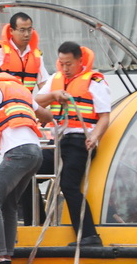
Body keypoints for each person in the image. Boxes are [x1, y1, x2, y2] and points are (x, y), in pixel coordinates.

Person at [0, 62, 54, 264]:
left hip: (18, 153)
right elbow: (47, 115)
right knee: (9, 203)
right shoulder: (22, 91)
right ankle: (7, 254)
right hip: (36, 153)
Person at [34, 41, 111, 247]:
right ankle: (39, 223)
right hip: (58, 142)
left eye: (69, 64)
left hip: (79, 141)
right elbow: (37, 101)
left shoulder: (95, 81)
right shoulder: (56, 79)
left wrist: (94, 137)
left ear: (79, 61)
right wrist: (53, 95)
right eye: (62, 64)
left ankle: (89, 235)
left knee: (68, 184)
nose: (65, 68)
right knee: (28, 170)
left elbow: (104, 116)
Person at [0, 12, 49, 92]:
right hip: (2, 103)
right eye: (22, 30)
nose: (26, 34)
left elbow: (43, 85)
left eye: (29, 30)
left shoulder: (37, 56)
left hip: (26, 102)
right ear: (11, 31)